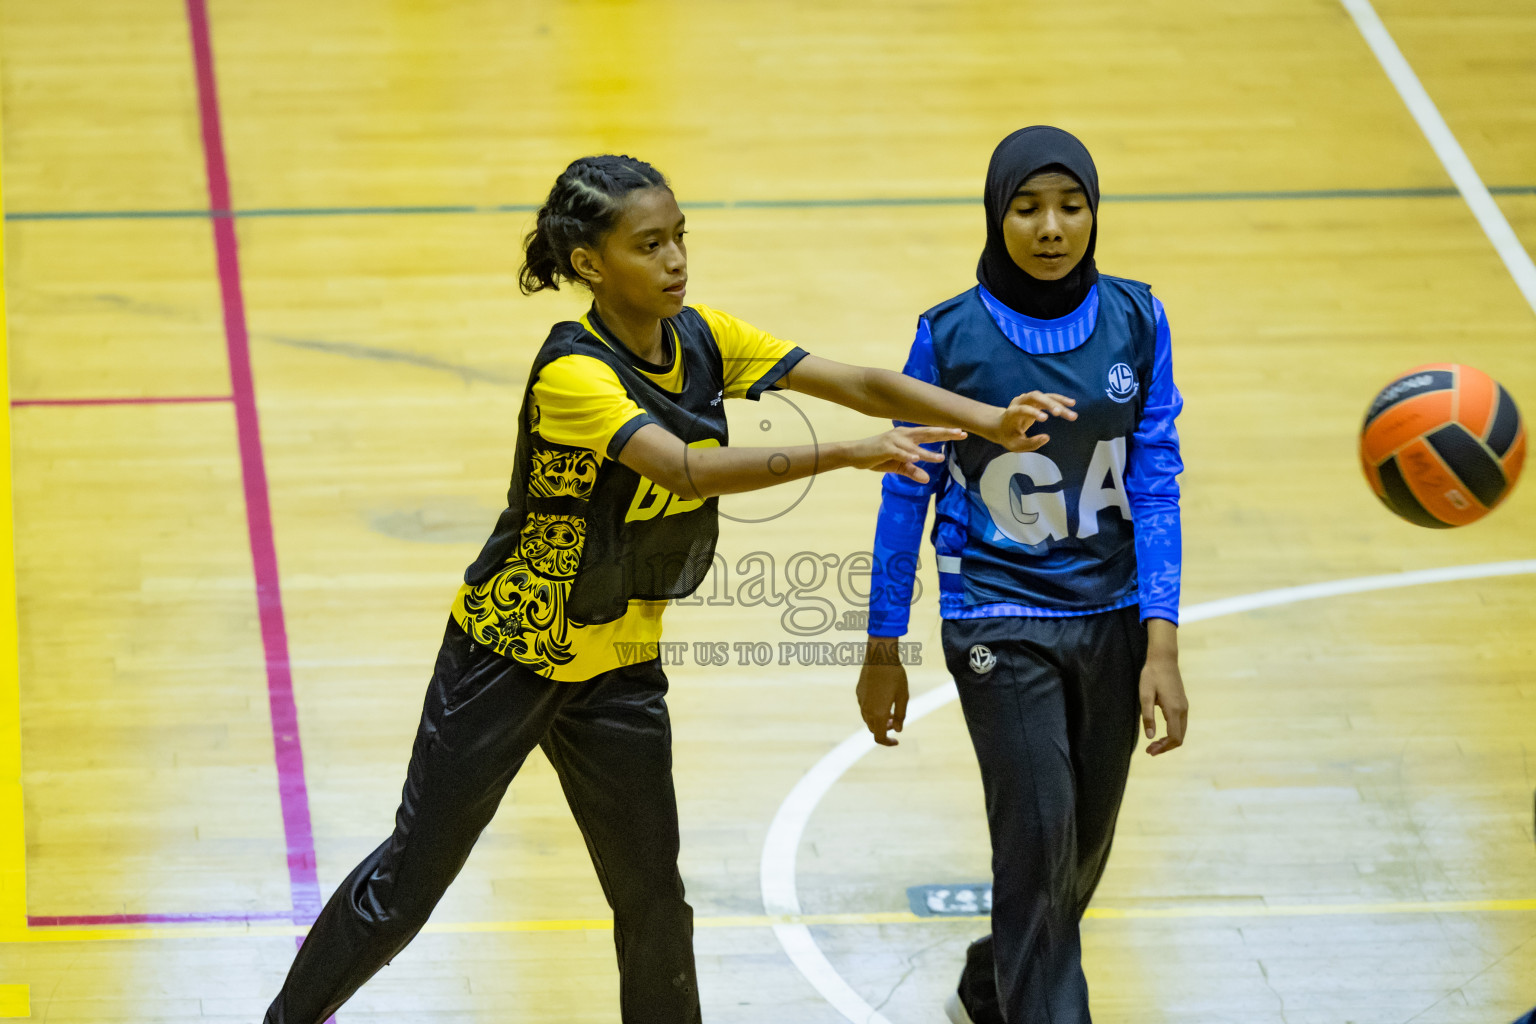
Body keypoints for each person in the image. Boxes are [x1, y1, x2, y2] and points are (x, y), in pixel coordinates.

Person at [261, 153, 1077, 1024]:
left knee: (654, 902)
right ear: (589, 264)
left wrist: (981, 417)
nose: (676, 260)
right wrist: (844, 451)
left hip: (617, 665)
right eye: (649, 245)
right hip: (508, 658)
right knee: (409, 885)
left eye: (680, 237)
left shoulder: (704, 337)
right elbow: (684, 470)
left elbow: (860, 382)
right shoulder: (574, 375)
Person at [855, 126, 1189, 1024]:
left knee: (1075, 854)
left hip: (1113, 616)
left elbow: (1156, 484)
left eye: (1071, 206)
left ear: (1093, 211)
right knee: (1040, 839)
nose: (1051, 227)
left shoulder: (1137, 318)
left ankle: (990, 979)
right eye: (1028, 207)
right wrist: (882, 641)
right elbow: (904, 497)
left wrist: (1162, 639)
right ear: (996, 214)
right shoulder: (948, 335)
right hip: (996, 617)